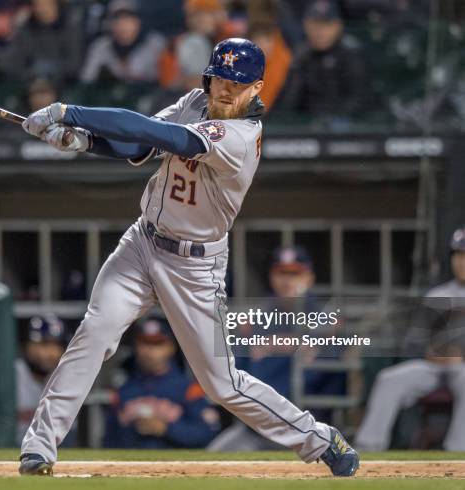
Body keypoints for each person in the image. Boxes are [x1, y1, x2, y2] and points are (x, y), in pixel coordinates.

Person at [19, 37, 359, 477]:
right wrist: (83, 141)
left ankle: (318, 438)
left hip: (194, 267)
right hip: (142, 243)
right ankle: (39, 448)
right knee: (95, 333)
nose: (225, 89)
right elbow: (139, 149)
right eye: (220, 78)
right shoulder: (197, 100)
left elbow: (154, 132)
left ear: (256, 88)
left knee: (223, 385)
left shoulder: (240, 137)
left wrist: (71, 114)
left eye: (237, 84)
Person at [208, 246, 346, 451]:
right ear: (272, 277)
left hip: (308, 427)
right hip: (256, 428)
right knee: (215, 455)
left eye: (295, 273)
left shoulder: (327, 320)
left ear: (309, 278)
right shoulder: (255, 321)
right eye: (282, 273)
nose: (287, 280)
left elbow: (335, 377)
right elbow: (234, 372)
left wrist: (290, 344)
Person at [355, 227, 465, 451]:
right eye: (458, 255)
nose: (462, 262)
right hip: (433, 366)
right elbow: (413, 342)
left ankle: (458, 451)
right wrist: (430, 352)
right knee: (390, 378)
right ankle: (368, 447)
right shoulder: (438, 295)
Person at [103, 317, 220, 448]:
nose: (149, 351)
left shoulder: (188, 388)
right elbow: (109, 442)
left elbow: (207, 433)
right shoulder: (123, 391)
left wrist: (165, 428)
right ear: (135, 346)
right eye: (144, 343)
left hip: (177, 464)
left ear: (171, 347)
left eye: (157, 344)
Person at [0, 314, 71, 446]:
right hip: (5, 448)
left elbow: (68, 429)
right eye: (43, 344)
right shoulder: (8, 374)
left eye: (56, 345)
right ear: (25, 346)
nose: (50, 352)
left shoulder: (65, 377)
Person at [280, 0, 369, 118]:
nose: (320, 31)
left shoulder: (351, 53)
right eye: (315, 24)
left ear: (338, 26)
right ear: (306, 25)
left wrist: (332, 121)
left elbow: (359, 99)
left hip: (347, 128)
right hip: (308, 128)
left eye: (327, 25)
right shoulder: (302, 55)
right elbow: (288, 104)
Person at [79, 0, 165, 85]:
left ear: (138, 21)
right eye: (116, 19)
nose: (121, 24)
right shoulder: (100, 46)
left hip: (148, 96)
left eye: (127, 18)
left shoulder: (155, 45)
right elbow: (86, 81)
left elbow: (168, 84)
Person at [0, 0, 82, 85]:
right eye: (37, 5)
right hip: (30, 86)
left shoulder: (70, 30)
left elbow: (74, 65)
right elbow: (11, 63)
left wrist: (50, 74)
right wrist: (32, 75)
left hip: (64, 87)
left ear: (56, 5)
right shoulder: (26, 30)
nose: (41, 9)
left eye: (46, 5)